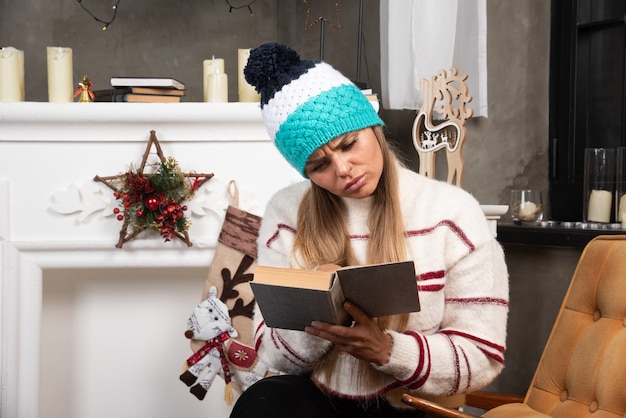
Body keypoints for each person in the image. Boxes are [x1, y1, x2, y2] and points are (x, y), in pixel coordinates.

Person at [231, 42, 509, 418]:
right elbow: (269, 348)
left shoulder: (452, 212)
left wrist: (388, 351)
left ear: (372, 126)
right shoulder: (285, 213)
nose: (343, 169)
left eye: (349, 144)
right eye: (318, 165)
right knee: (263, 403)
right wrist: (317, 317)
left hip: (415, 403)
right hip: (320, 398)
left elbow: (483, 355)